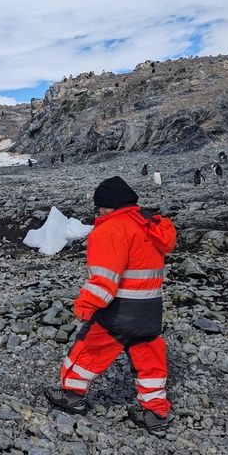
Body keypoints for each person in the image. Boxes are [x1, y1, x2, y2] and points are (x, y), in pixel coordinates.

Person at [44, 176, 177, 437]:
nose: (98, 211)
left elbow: (105, 282)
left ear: (108, 206)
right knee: (149, 360)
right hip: (150, 310)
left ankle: (71, 394)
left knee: (88, 350)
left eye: (100, 207)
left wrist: (84, 307)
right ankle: (155, 412)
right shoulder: (148, 226)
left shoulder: (111, 230)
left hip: (119, 311)